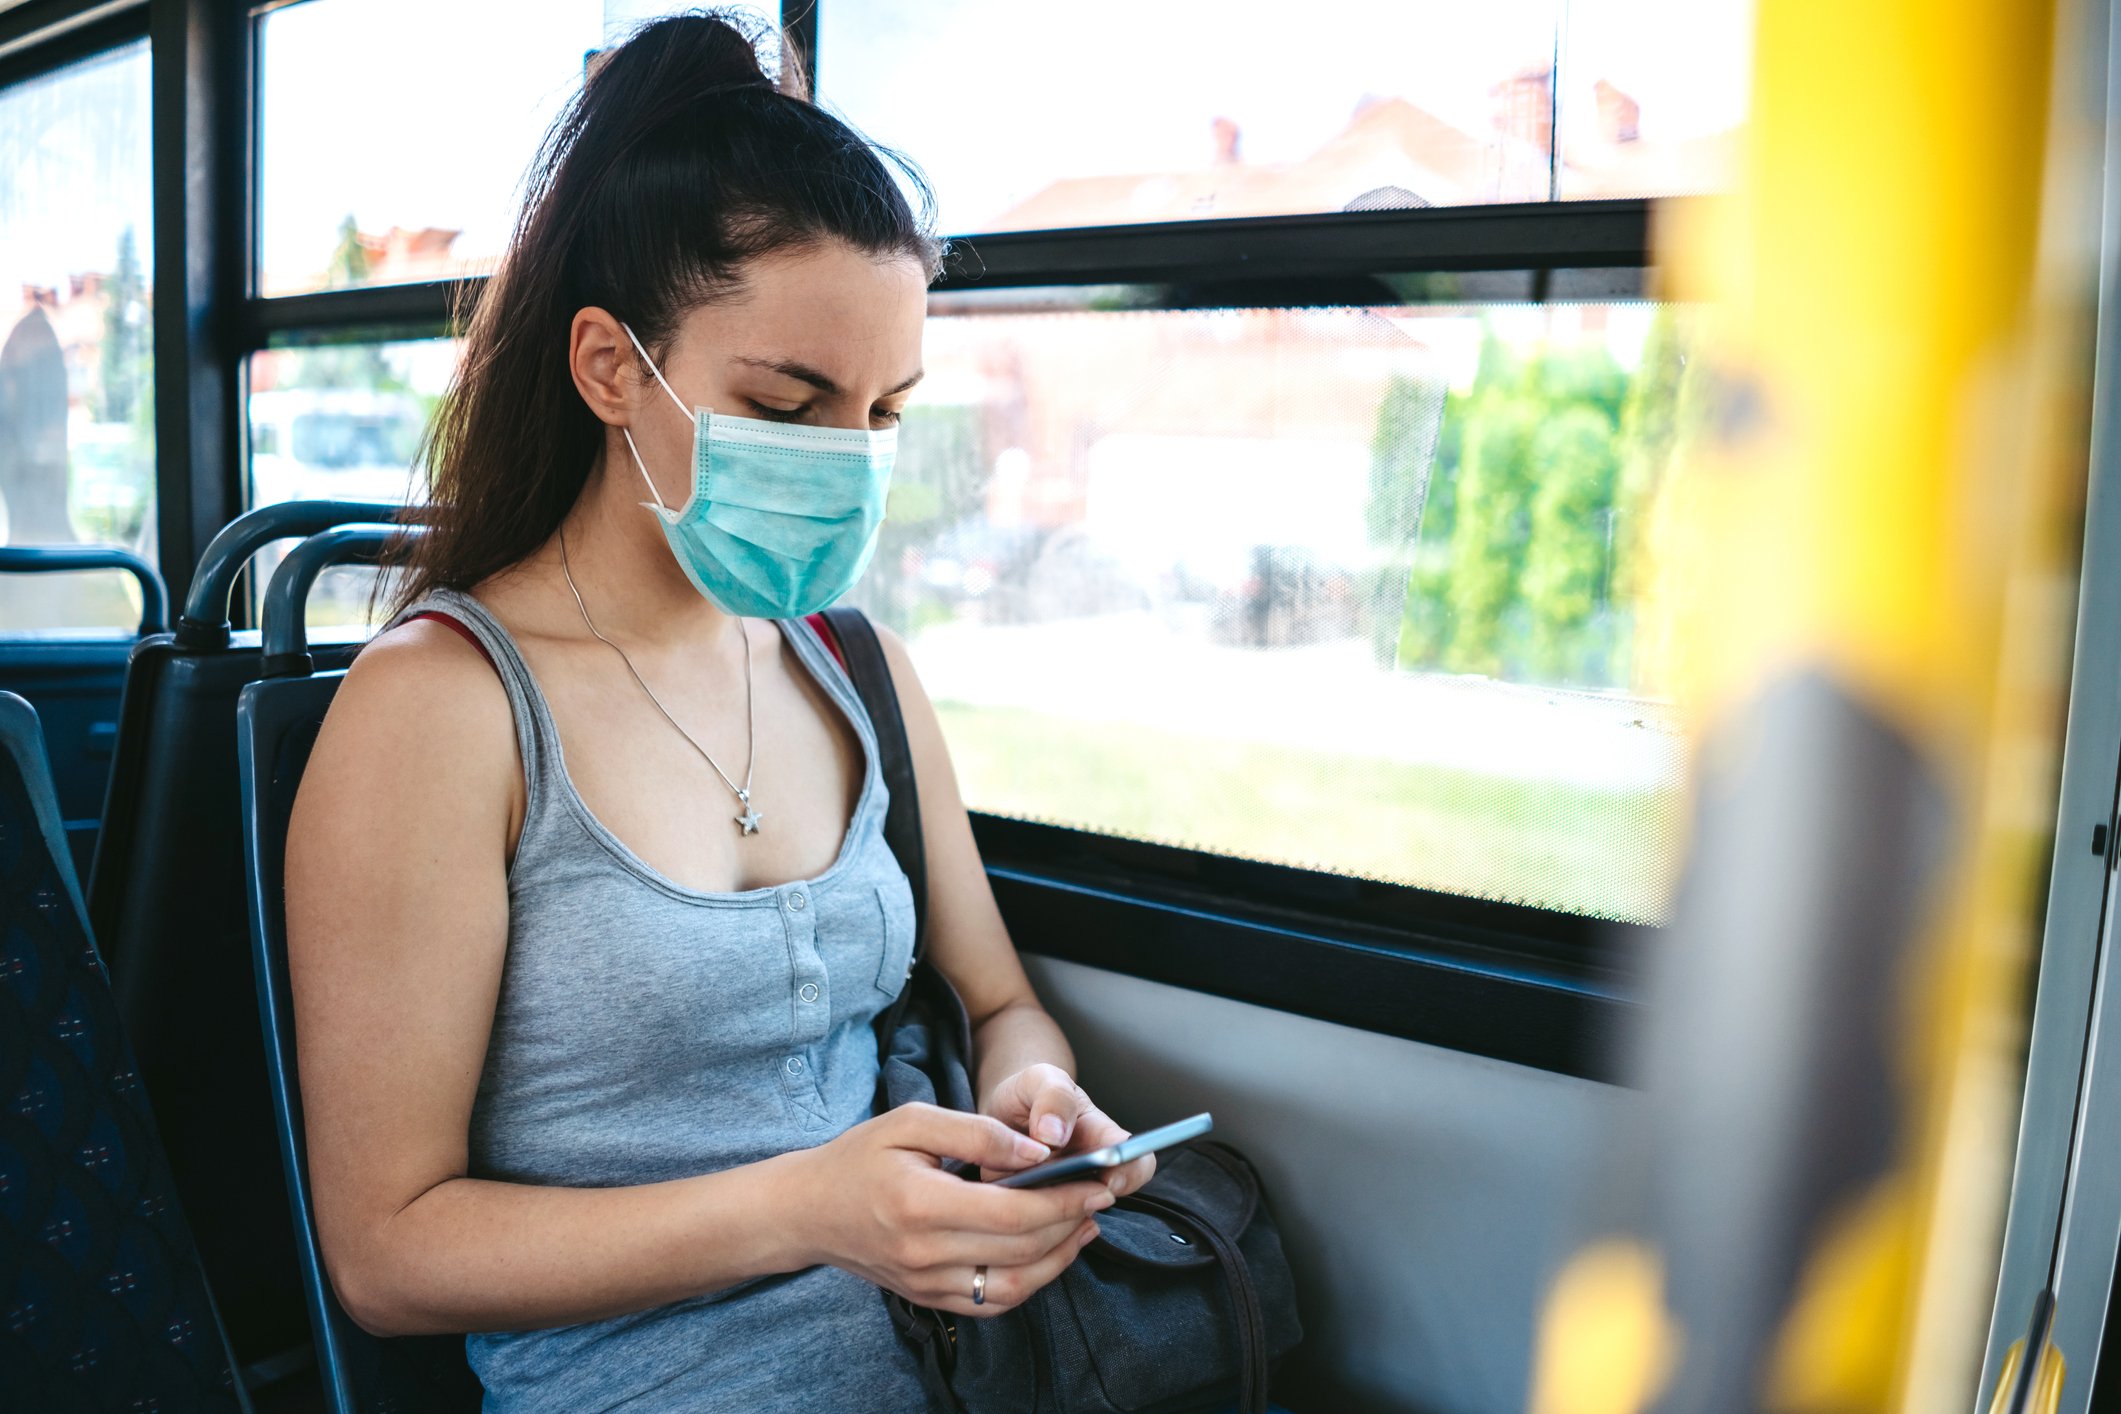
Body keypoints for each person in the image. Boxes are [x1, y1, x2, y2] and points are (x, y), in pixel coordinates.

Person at [283, 12, 1153, 1411]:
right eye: (787, 404)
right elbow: (386, 1252)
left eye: (882, 415)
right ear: (611, 368)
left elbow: (1002, 1003)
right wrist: (812, 1207)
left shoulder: (854, 669)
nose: (848, 464)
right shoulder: (440, 711)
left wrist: (1031, 1101)